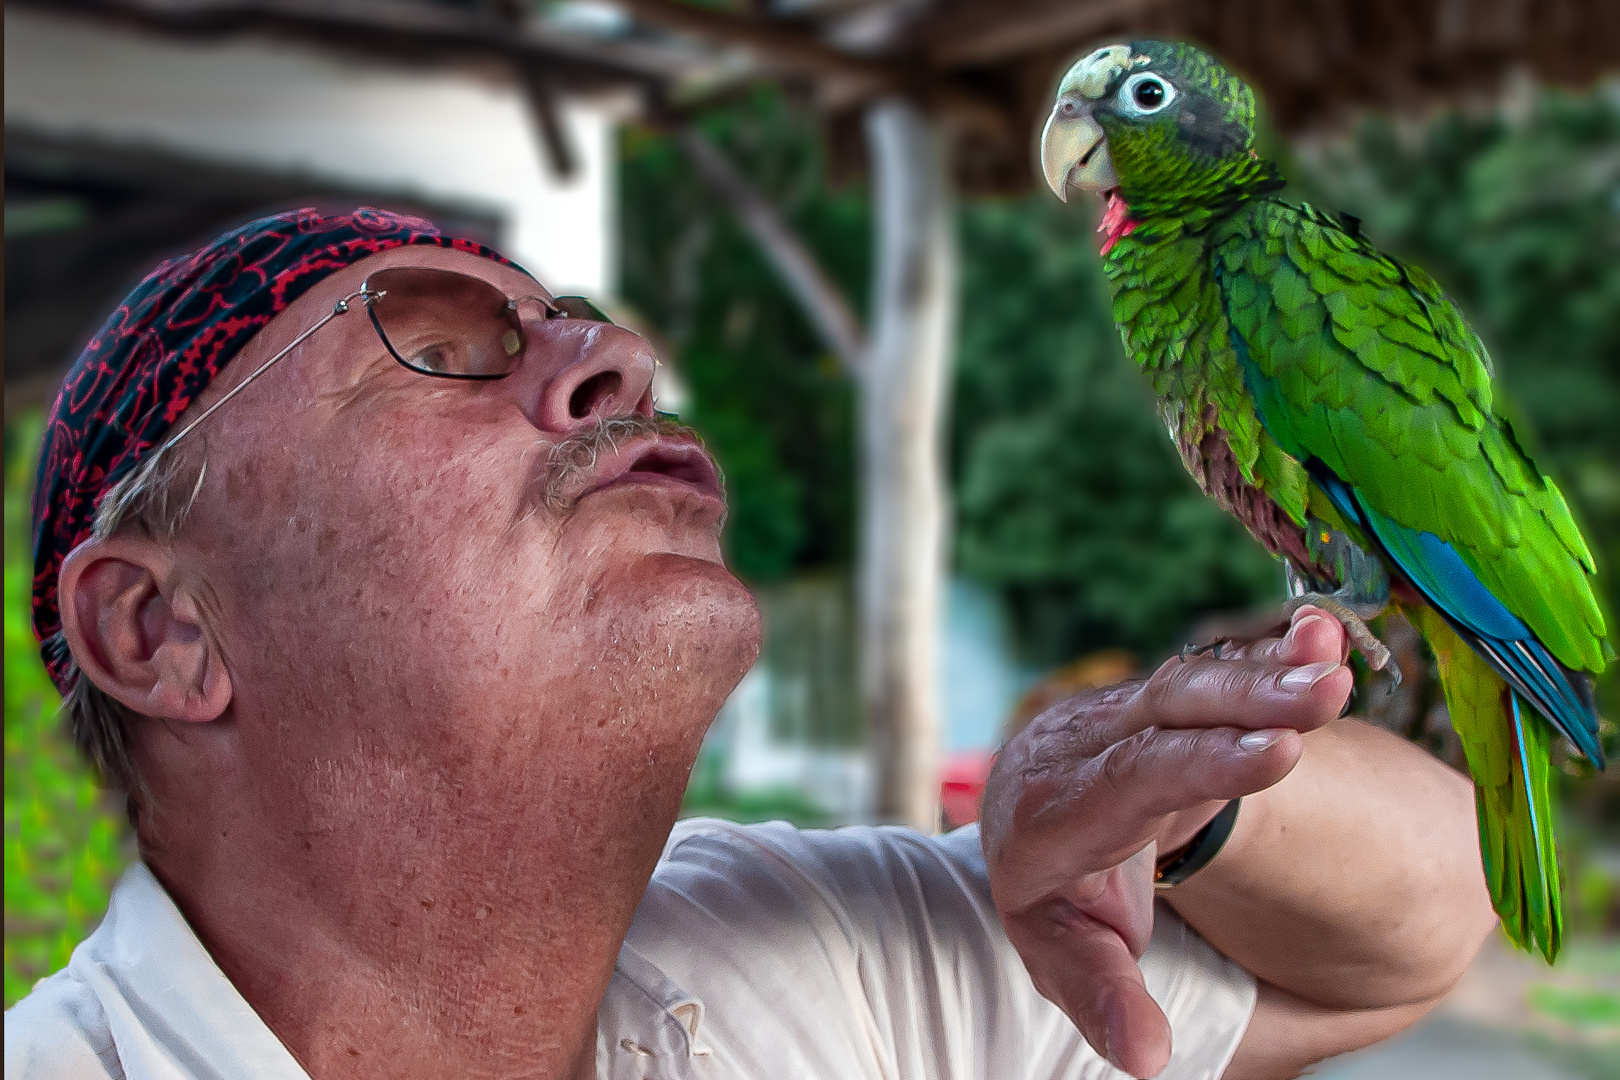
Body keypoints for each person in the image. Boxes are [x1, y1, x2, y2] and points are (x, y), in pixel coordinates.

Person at [7, 208, 1495, 1080]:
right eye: (442, 346)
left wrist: (1168, 798)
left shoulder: (821, 948)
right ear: (161, 630)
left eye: (579, 324)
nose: (617, 363)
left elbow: (1413, 938)